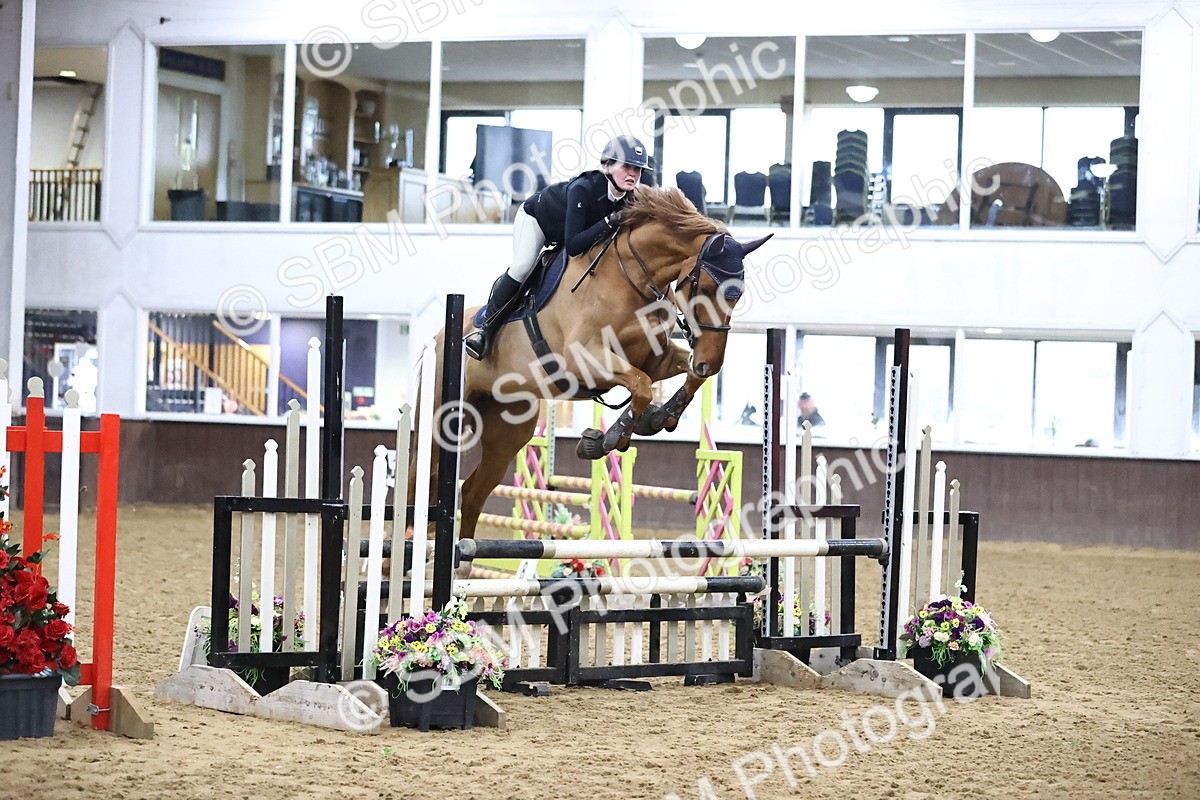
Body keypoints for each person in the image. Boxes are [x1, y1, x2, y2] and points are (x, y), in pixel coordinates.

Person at [463, 135, 651, 360]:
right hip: (538, 221)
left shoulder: (631, 199)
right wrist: (610, 221)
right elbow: (574, 246)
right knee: (522, 267)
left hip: (569, 231)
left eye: (638, 169)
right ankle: (485, 329)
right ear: (608, 165)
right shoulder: (583, 189)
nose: (632, 174)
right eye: (626, 166)